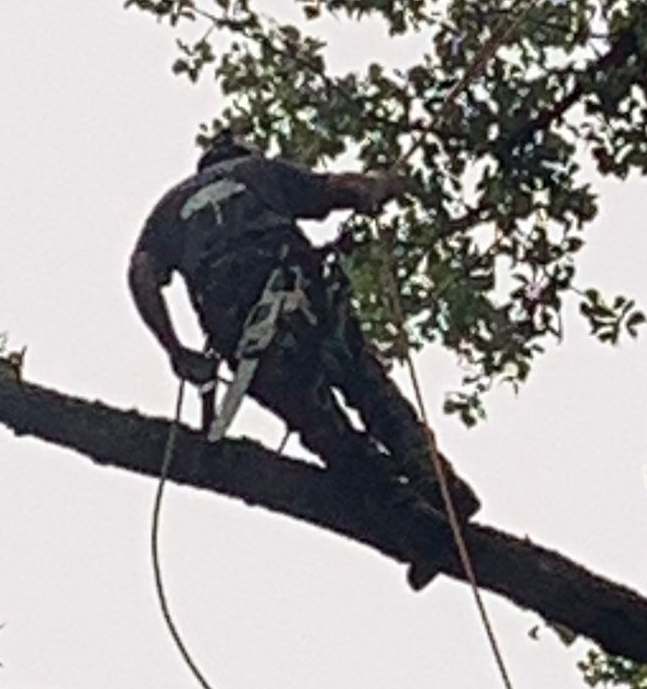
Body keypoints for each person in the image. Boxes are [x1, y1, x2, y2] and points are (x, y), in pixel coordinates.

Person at [128, 132, 480, 525]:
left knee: (324, 428)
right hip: (302, 296)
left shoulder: (169, 208)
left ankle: (406, 515)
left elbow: (141, 271)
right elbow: (335, 188)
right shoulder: (257, 170)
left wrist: (176, 350)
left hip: (247, 338)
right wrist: (381, 186)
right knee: (369, 388)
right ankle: (433, 480)